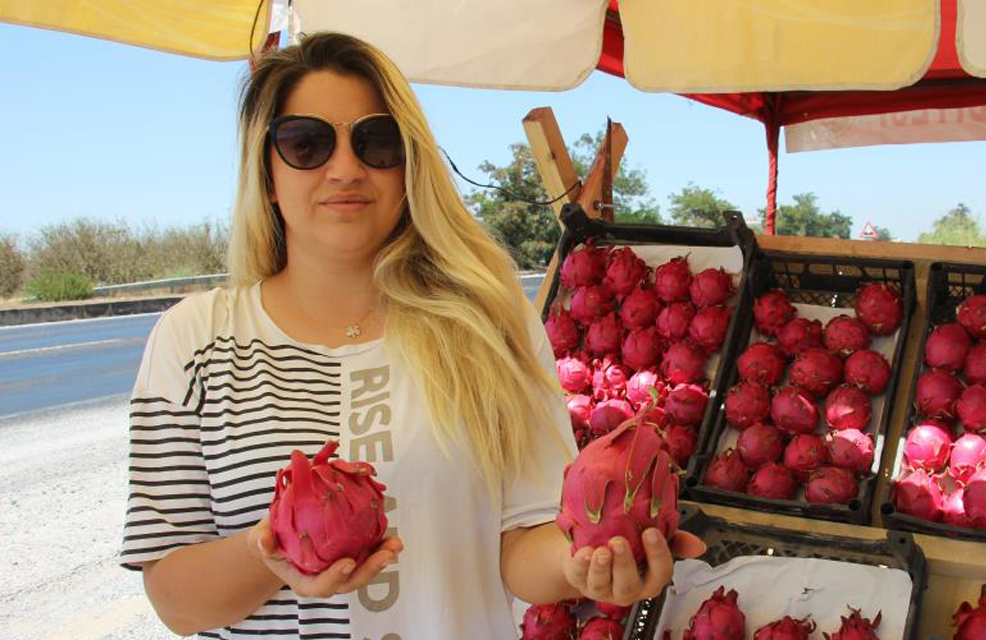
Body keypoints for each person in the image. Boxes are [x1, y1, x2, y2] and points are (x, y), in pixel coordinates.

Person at [119, 31, 704, 639]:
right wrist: (269, 554)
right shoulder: (195, 340)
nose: (345, 167)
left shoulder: (486, 320)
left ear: (408, 164)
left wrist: (585, 563)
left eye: (376, 141)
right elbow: (176, 604)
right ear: (266, 173)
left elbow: (522, 547)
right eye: (305, 143)